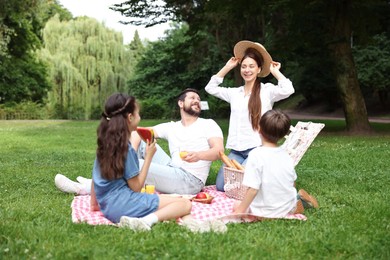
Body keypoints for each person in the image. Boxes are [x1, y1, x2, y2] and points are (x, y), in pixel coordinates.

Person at [55, 88, 224, 195]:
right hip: (173, 169)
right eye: (192, 98)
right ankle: (119, 176)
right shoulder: (172, 126)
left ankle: (87, 188)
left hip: (190, 180)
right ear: (180, 103)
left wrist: (199, 155)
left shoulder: (208, 124)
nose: (196, 100)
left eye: (198, 99)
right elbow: (137, 133)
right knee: (142, 142)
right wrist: (130, 157)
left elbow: (218, 151)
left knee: (140, 163)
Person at [89, 93, 192, 231]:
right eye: (138, 114)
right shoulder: (126, 148)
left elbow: (94, 179)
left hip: (107, 208)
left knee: (174, 204)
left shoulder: (104, 143)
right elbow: (136, 187)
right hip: (125, 205)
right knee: (185, 204)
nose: (140, 117)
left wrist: (94, 204)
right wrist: (148, 156)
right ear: (130, 118)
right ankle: (145, 221)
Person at [205, 40, 295, 191]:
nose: (247, 70)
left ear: (259, 69)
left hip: (257, 149)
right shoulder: (234, 93)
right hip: (237, 150)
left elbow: (288, 89)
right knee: (222, 186)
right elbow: (210, 88)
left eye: (252, 66)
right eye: (244, 66)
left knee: (242, 186)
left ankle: (270, 176)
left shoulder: (267, 91)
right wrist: (227, 67)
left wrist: (275, 71)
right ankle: (265, 177)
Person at [232, 110, 318, 218]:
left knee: (237, 204)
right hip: (287, 206)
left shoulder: (255, 155)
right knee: (289, 197)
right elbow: (292, 183)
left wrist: (239, 211)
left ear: (259, 129)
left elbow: (253, 189)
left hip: (264, 210)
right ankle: (296, 203)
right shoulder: (286, 155)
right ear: (283, 135)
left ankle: (296, 203)